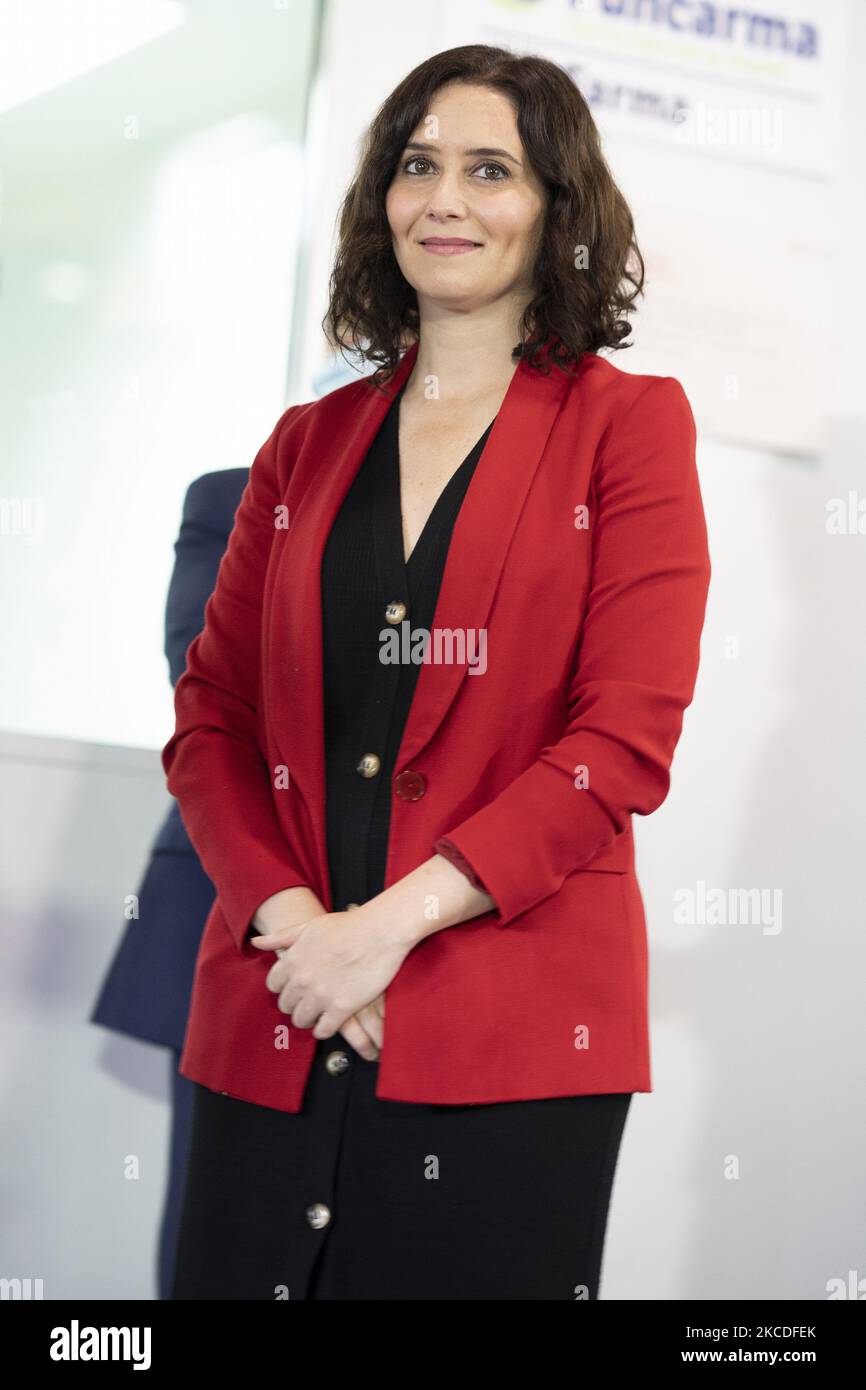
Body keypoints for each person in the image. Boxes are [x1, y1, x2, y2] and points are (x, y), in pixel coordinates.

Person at [163, 43, 711, 1301]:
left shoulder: (629, 428)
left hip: (504, 1041)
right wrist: (304, 933)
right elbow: (213, 722)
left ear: (555, 209)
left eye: (490, 170)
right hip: (282, 1009)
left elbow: (617, 741)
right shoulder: (304, 447)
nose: (445, 200)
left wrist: (387, 933)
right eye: (418, 166)